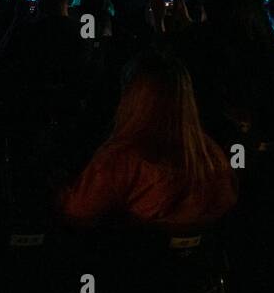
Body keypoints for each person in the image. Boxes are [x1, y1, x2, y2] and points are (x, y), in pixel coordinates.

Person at [60, 52, 237, 231]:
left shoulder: (121, 160)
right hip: (201, 258)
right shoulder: (211, 155)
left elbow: (76, 212)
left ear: (130, 98)